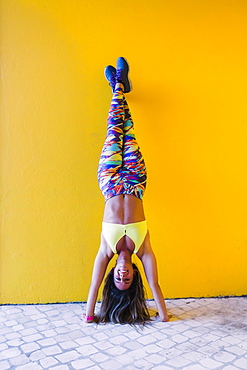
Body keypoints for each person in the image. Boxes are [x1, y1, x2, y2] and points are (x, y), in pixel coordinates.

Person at [85, 57, 169, 325]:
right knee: (128, 130)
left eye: (118, 278)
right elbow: (154, 284)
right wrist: (163, 314)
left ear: (114, 274)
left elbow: (94, 286)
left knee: (114, 128)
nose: (123, 274)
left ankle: (118, 84)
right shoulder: (143, 249)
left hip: (109, 181)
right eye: (128, 278)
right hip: (134, 180)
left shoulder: (105, 251)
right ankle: (119, 83)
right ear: (134, 273)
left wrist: (90, 315)